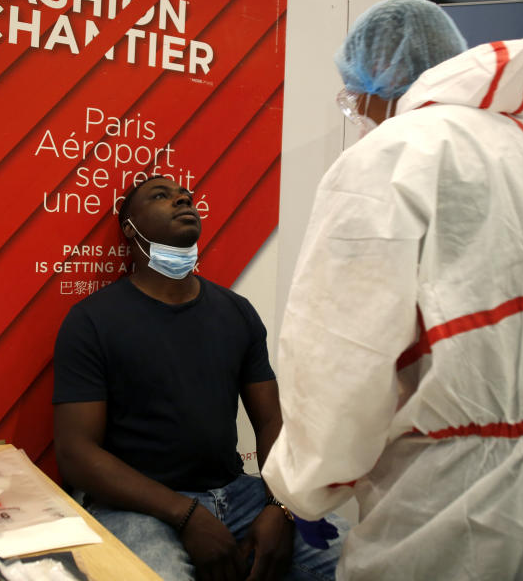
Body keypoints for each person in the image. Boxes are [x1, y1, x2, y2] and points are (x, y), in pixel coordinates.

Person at [261, 0, 523, 580]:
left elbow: (338, 360)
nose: (358, 110)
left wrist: (298, 488)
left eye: (354, 95)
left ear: (380, 83)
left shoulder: (392, 154)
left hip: (472, 521)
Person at [53, 175, 346, 581]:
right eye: (162, 196)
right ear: (130, 228)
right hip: (137, 505)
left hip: (236, 492)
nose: (181, 201)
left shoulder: (236, 311)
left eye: (185, 196)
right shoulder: (92, 321)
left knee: (360, 557)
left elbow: (270, 422)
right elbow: (75, 454)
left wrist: (281, 507)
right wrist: (185, 514)